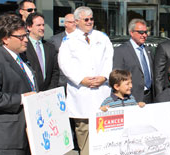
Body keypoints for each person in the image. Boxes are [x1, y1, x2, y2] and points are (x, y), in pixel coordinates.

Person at [58, 6, 114, 155]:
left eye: (91, 19)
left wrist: (104, 77)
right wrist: (81, 80)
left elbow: (109, 59)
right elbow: (64, 64)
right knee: (83, 130)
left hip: (101, 90)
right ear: (76, 21)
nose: (90, 22)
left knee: (103, 131)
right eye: (86, 19)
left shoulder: (102, 37)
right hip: (81, 92)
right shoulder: (69, 40)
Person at [0, 14, 37, 155]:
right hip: (6, 138)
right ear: (6, 39)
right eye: (21, 37)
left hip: (25, 134)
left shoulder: (20, 57)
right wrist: (21, 99)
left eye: (26, 35)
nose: (26, 40)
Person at [113, 18, 153, 103]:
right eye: (141, 32)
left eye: (146, 32)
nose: (144, 35)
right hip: (131, 98)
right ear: (131, 32)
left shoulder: (148, 50)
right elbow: (117, 77)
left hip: (150, 97)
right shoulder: (121, 51)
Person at [24, 12, 59, 91]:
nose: (42, 28)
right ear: (29, 27)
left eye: (43, 25)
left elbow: (55, 72)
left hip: (47, 94)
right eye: (38, 25)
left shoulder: (50, 47)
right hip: (30, 94)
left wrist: (50, 90)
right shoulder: (23, 47)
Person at [49, 13, 76, 89]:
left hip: (79, 81)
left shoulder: (83, 39)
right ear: (66, 23)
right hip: (61, 82)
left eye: (76, 22)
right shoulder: (55, 40)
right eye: (72, 22)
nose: (75, 24)